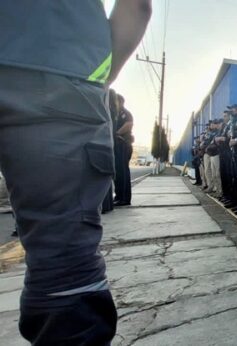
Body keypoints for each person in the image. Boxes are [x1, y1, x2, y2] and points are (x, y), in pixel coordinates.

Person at [0, 1, 151, 343]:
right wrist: (94, 78)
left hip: (58, 73)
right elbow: (137, 6)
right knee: (64, 276)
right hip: (60, 70)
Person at [113, 93, 134, 206]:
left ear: (120, 102)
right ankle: (118, 196)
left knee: (122, 171)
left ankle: (124, 199)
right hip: (117, 145)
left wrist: (116, 133)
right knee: (117, 172)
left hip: (123, 144)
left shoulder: (125, 113)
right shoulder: (115, 114)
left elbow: (129, 124)